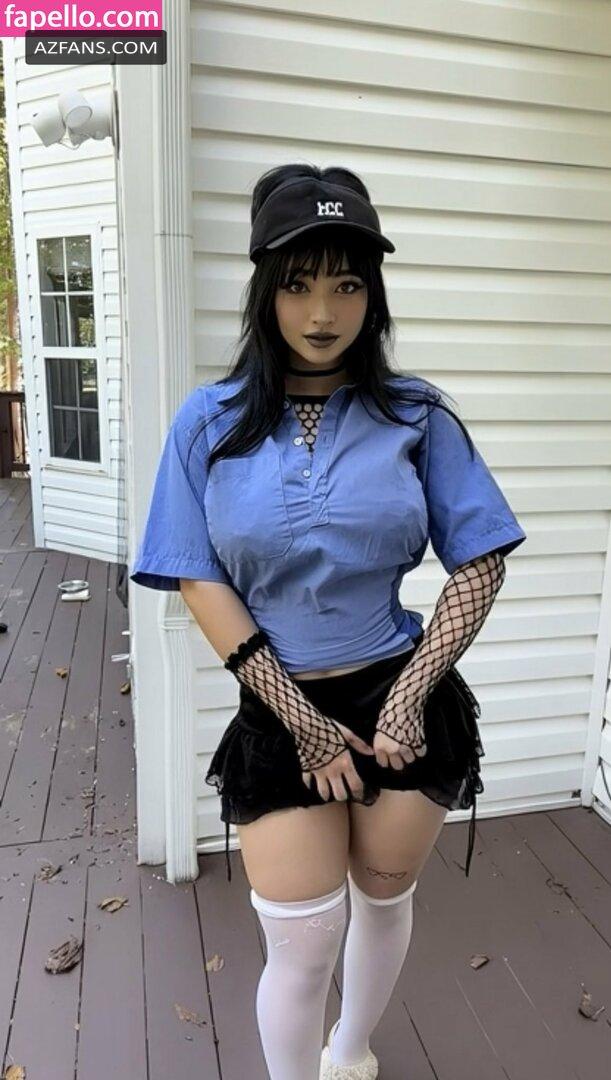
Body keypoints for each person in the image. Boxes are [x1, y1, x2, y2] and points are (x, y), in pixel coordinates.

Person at [130, 163, 527, 1080]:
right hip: (278, 705)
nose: (321, 313)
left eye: (346, 285)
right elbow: (196, 576)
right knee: (302, 942)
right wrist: (302, 723)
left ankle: (351, 1054)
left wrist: (409, 698)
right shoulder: (208, 423)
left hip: (402, 697)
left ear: (372, 295)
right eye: (298, 284)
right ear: (264, 290)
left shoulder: (416, 414)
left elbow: (480, 556)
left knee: (383, 900)